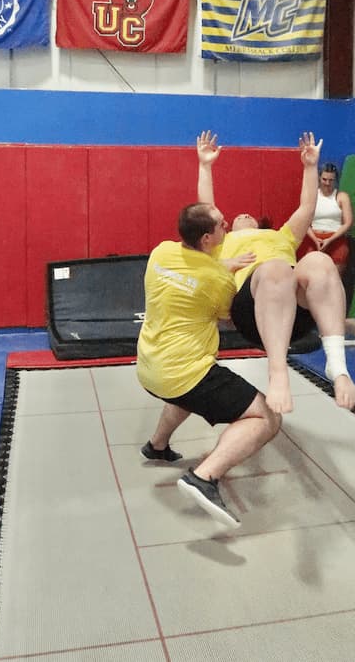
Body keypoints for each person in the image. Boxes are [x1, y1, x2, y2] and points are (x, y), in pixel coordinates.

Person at [137, 203, 279, 529]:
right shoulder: (218, 281)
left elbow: (194, 272)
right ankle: (204, 476)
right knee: (268, 417)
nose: (227, 223)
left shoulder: (162, 252)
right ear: (206, 239)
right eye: (220, 223)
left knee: (186, 393)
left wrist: (221, 265)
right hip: (185, 375)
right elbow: (231, 314)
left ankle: (157, 446)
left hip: (148, 367)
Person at [196, 130, 355, 417]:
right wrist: (205, 165)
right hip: (253, 310)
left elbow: (308, 208)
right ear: (225, 227)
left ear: (259, 223)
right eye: (236, 217)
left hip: (295, 310)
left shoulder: (280, 237)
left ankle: (338, 364)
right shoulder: (222, 244)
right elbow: (206, 208)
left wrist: (310, 167)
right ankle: (278, 371)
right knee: (276, 269)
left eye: (249, 215)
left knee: (319, 260)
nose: (243, 214)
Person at [297, 162, 354, 277]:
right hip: (314, 240)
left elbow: (348, 223)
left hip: (336, 240)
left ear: (336, 180)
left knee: (334, 278)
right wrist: (315, 239)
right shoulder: (311, 195)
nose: (327, 183)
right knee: (311, 275)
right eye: (324, 179)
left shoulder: (342, 196)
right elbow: (303, 220)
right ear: (319, 178)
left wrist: (330, 239)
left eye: (331, 180)